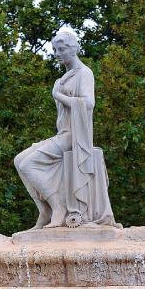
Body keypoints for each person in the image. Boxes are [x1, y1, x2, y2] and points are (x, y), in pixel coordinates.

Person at [14, 30, 117, 229]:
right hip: (63, 134)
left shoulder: (84, 73)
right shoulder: (63, 78)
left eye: (61, 49)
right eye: (55, 50)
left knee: (28, 165)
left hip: (75, 137)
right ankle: (45, 211)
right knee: (19, 161)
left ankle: (58, 207)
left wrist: (58, 95)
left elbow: (88, 103)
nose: (57, 54)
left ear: (74, 49)